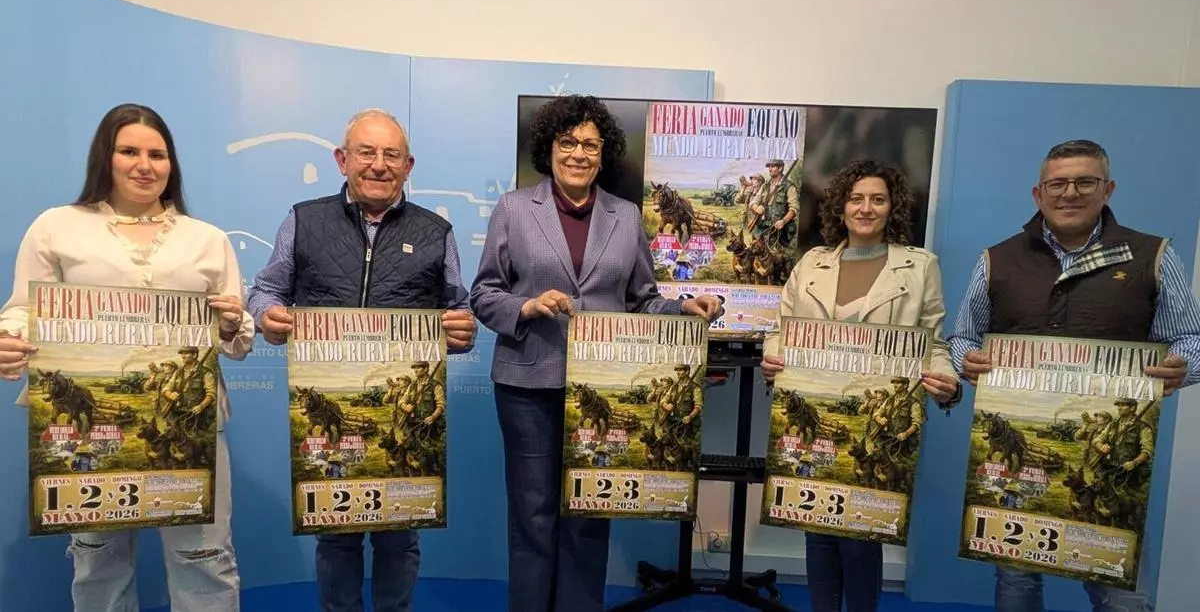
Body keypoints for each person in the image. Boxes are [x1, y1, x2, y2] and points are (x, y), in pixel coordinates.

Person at [469, 94, 722, 612]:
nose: (578, 153)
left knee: (590, 509)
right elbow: (484, 294)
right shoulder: (514, 208)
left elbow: (642, 300)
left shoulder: (626, 216)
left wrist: (683, 308)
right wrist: (527, 306)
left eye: (590, 144)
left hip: (602, 390)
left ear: (603, 154)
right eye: (568, 142)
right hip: (527, 384)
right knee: (533, 513)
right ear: (550, 148)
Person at [0, 103, 253, 611]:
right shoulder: (57, 226)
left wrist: (231, 322)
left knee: (205, 558)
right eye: (129, 151)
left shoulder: (207, 239)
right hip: (88, 430)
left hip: (194, 427)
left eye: (157, 154)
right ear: (105, 157)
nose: (144, 165)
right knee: (98, 560)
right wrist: (9, 340)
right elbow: (23, 309)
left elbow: (237, 341)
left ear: (171, 163)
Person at [947, 139, 1200, 612]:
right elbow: (963, 337)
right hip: (1019, 452)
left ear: (1107, 189)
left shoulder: (1152, 255)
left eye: (1085, 182)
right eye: (1057, 184)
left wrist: (1181, 367)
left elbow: (1190, 338)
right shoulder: (996, 258)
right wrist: (967, 360)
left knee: (1122, 598)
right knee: (1016, 586)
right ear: (1038, 193)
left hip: (1112, 463)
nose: (1070, 193)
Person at [246, 108, 476, 612]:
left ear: (408, 166)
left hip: (404, 415)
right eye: (366, 152)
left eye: (391, 155)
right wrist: (266, 316)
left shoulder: (436, 231)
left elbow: (459, 308)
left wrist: (462, 330)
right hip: (327, 398)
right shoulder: (303, 220)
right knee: (336, 537)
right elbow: (265, 290)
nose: (378, 164)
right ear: (342, 159)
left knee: (400, 537)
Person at [759, 158, 959, 612]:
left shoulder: (920, 267)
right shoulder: (811, 262)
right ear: (841, 206)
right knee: (817, 530)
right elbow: (780, 329)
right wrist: (773, 357)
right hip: (816, 412)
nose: (865, 208)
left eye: (877, 199)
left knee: (861, 534)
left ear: (892, 207)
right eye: (856, 199)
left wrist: (946, 379)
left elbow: (933, 342)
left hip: (877, 419)